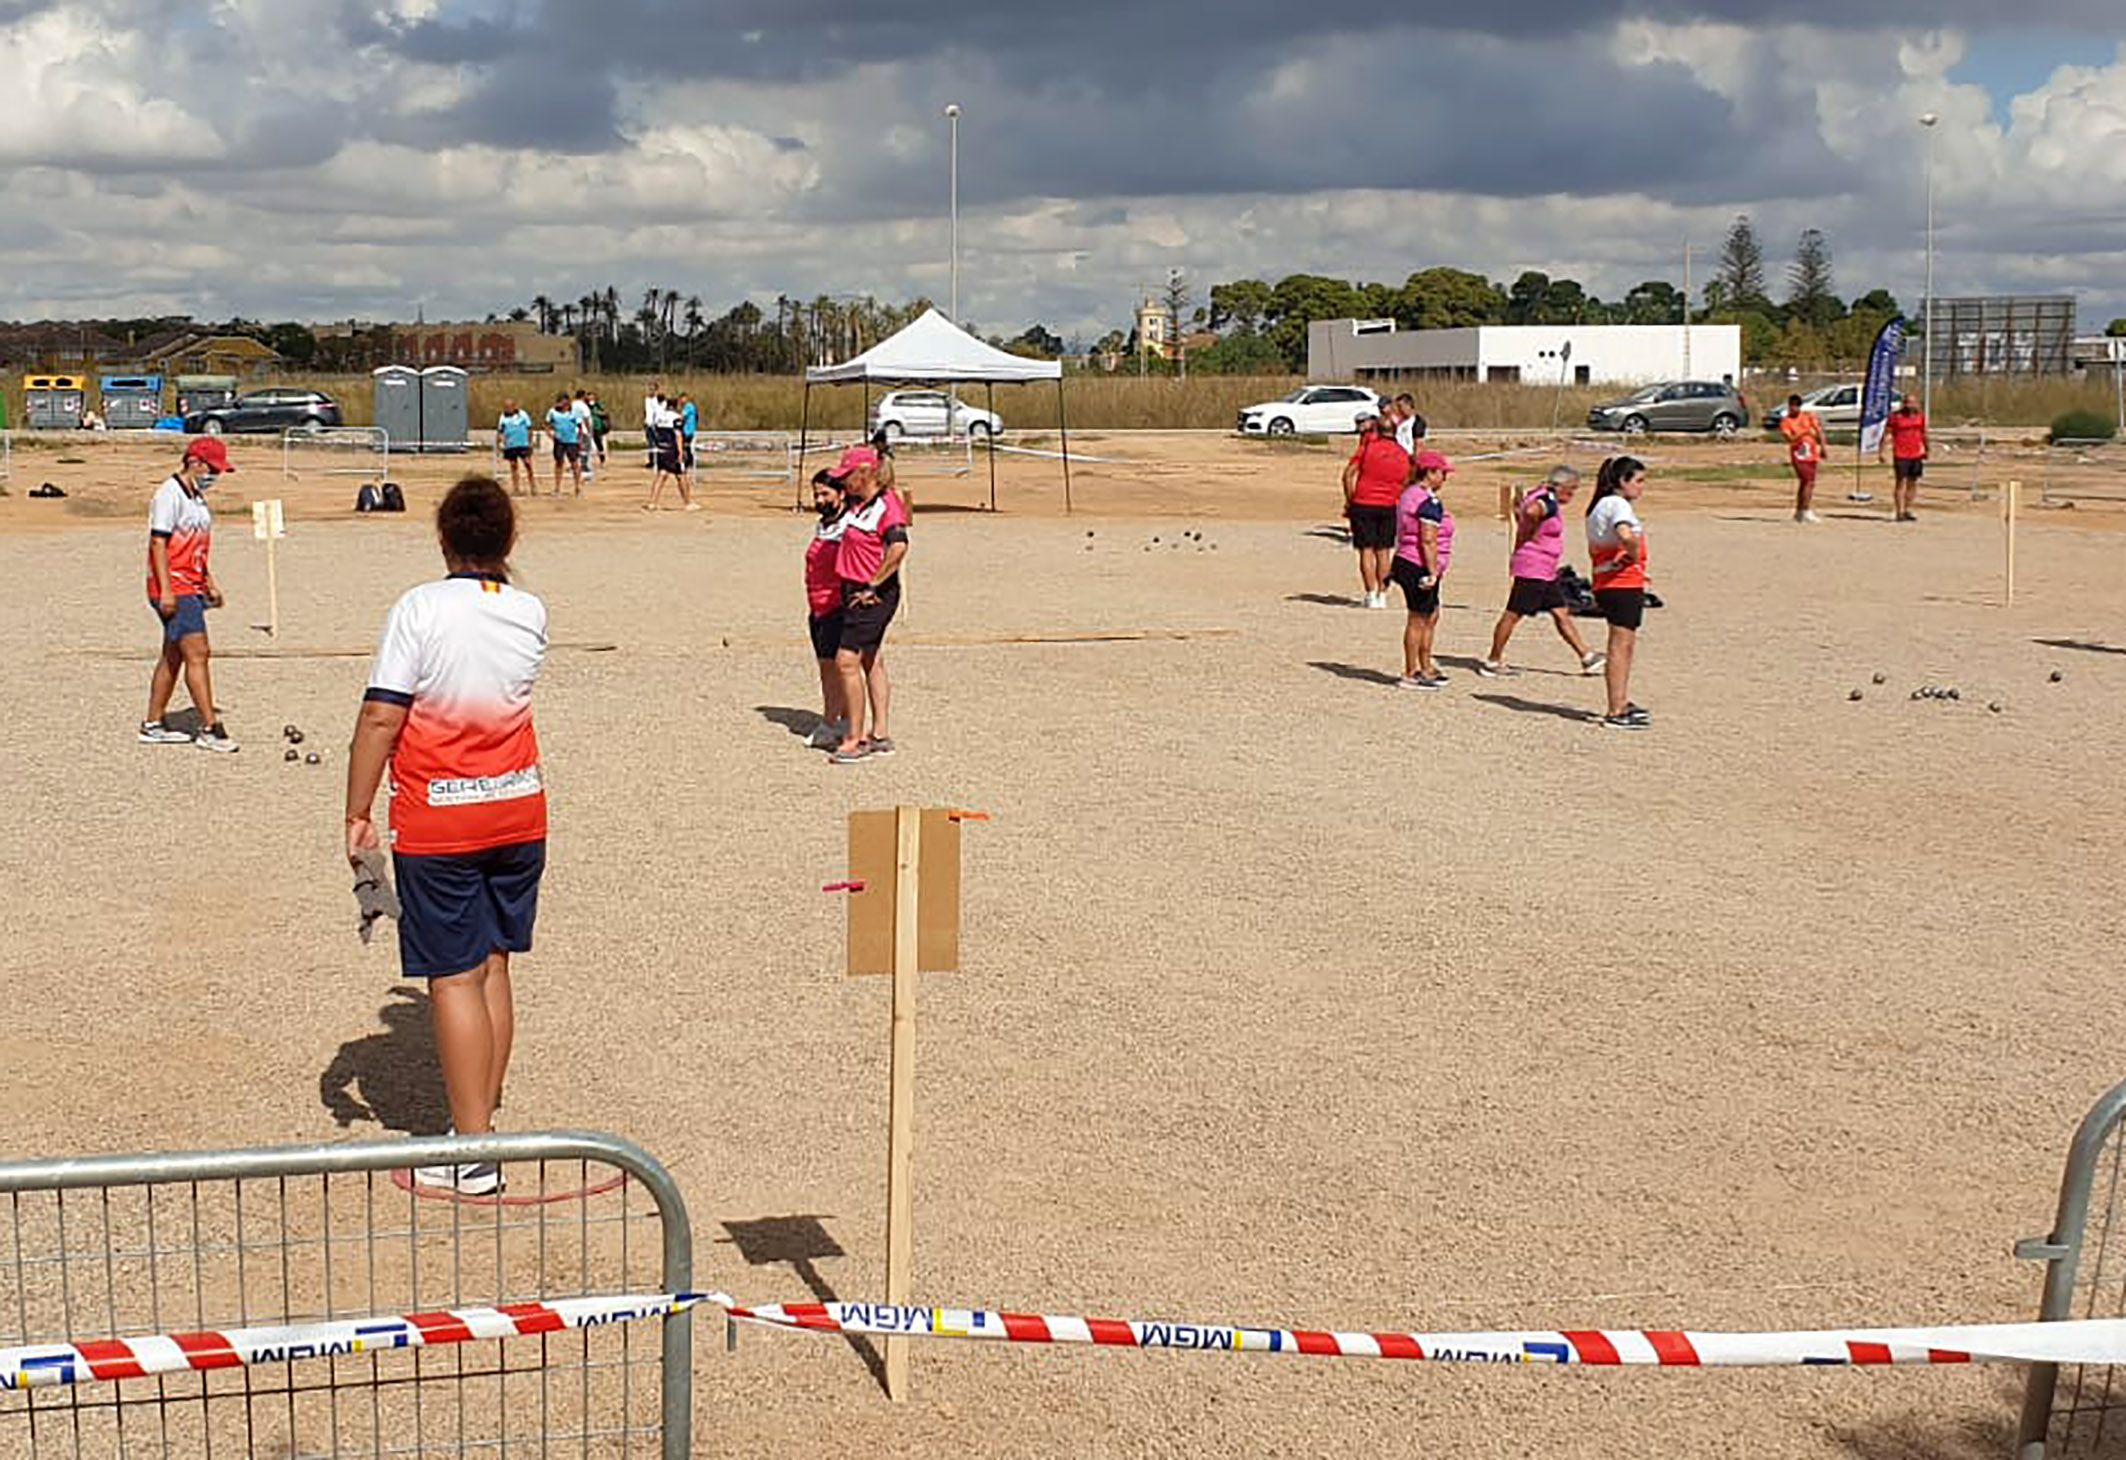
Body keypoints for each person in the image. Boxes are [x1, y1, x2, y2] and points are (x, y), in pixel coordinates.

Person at [344, 476, 548, 1197]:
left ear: (443, 539)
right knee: (493, 966)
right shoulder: (528, 610)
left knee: (453, 976)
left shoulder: (420, 609)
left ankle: (473, 1152)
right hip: (519, 812)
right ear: (508, 539)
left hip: (443, 818)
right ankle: (482, 1123)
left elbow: (381, 716)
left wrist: (356, 808)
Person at [139, 438, 238, 752]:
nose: (215, 476)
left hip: (191, 585)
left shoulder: (197, 498)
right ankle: (210, 728)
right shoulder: (170, 495)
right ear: (194, 461)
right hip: (174, 587)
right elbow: (158, 543)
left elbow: (196, 546)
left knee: (174, 654)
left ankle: (153, 723)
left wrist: (209, 580)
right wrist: (166, 590)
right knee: (199, 653)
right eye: (212, 469)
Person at [1479, 465, 1604, 678]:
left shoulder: (1538, 494)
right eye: (1571, 489)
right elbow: (1530, 511)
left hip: (1546, 570)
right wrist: (1531, 526)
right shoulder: (1547, 501)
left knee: (1560, 612)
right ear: (1561, 486)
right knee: (1512, 614)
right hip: (1532, 569)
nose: (1573, 494)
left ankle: (1587, 656)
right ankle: (1493, 660)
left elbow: (1520, 508)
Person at [827, 446, 909, 763]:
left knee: (846, 660)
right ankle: (880, 732)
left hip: (871, 593)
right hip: (852, 588)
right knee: (870, 658)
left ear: (864, 473)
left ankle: (855, 739)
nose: (843, 482)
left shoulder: (887, 506)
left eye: (847, 476)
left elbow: (899, 547)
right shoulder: (860, 503)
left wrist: (874, 582)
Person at [1586, 456, 1652, 731]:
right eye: (1638, 481)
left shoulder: (1603, 505)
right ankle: (1615, 709)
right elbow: (1625, 535)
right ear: (1622, 481)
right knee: (1620, 646)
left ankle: (1621, 701)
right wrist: (1633, 556)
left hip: (1617, 582)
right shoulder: (1616, 504)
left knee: (1624, 645)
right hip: (1619, 584)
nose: (1641, 487)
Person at [1390, 449, 1456, 689]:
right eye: (1442, 473)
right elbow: (1427, 539)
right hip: (1417, 564)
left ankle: (1425, 665)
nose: (1444, 478)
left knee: (1431, 614)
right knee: (1418, 618)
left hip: (1411, 561)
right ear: (1429, 473)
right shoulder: (1427, 502)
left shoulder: (1409, 494)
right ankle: (1411, 671)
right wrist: (1432, 571)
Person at [1340, 409, 1409, 609]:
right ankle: (1382, 593)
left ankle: (1370, 593)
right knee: (1384, 552)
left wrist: (1350, 499)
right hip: (1389, 505)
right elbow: (1407, 480)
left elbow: (1348, 474)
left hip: (1363, 502)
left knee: (1366, 551)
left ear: (1376, 430)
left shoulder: (1368, 448)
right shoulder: (1403, 454)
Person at [803, 469, 851, 750]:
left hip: (838, 605)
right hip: (817, 605)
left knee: (839, 668)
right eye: (816, 494)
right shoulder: (823, 525)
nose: (819, 499)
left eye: (825, 494)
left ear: (841, 494)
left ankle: (833, 722)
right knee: (825, 668)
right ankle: (837, 718)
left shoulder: (849, 526)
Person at [1880, 393, 1929, 522]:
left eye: (1912, 402)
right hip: (1901, 454)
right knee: (1900, 482)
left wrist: (1926, 449)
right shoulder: (1896, 417)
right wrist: (1882, 451)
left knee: (1912, 483)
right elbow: (1887, 434)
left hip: (1916, 453)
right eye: (1907, 402)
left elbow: (1924, 434)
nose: (1909, 405)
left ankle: (1907, 509)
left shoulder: (1920, 416)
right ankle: (1899, 511)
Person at [1780, 393, 1827, 523]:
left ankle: (1801, 510)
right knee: (1806, 480)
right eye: (1792, 406)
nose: (1794, 409)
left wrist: (1823, 447)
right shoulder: (1786, 421)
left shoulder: (1808, 417)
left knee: (1808, 482)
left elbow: (1819, 432)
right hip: (1799, 454)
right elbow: (1789, 438)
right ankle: (1805, 510)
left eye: (1796, 406)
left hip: (1811, 453)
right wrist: (1804, 432)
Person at [545, 392, 583, 495]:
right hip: (559, 441)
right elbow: (547, 424)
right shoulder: (552, 412)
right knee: (559, 463)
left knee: (574, 463)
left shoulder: (574, 413)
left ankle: (577, 486)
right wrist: (550, 435)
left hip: (572, 441)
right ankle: (557, 488)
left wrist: (580, 439)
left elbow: (580, 427)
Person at [497, 399, 535, 495]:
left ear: (514, 406)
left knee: (528, 464)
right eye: (506, 407)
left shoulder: (523, 414)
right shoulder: (503, 417)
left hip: (523, 444)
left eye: (509, 407)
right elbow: (500, 431)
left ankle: (533, 487)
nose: (507, 409)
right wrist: (500, 443)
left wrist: (530, 442)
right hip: (510, 445)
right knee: (513, 466)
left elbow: (529, 428)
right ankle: (516, 488)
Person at [570, 391, 596, 484]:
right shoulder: (583, 406)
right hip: (583, 431)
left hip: (573, 431)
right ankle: (585, 473)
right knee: (585, 452)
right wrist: (589, 431)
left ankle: (577, 471)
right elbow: (586, 418)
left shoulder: (572, 405)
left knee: (577, 451)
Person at [587, 392, 611, 466]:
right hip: (587, 427)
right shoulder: (585, 406)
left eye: (592, 397)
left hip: (597, 426)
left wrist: (598, 413)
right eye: (589, 397)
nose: (590, 399)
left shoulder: (598, 405)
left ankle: (602, 459)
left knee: (598, 443)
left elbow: (605, 413)